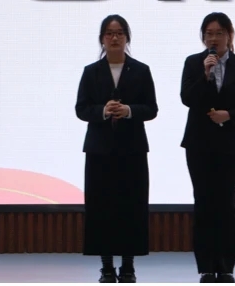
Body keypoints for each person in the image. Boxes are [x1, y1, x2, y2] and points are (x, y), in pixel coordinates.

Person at [75, 14, 158, 283]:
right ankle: (107, 266)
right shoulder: (91, 71)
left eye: (120, 33)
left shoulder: (141, 70)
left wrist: (129, 110)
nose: (114, 37)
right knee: (102, 208)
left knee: (131, 207)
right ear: (102, 38)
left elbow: (151, 109)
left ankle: (129, 266)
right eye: (109, 33)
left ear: (127, 38)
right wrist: (103, 111)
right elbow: (81, 109)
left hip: (132, 150)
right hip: (99, 151)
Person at [180, 12, 235, 283]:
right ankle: (206, 266)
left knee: (226, 204)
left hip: (230, 144)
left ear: (229, 35)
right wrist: (205, 75)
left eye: (219, 33)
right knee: (203, 203)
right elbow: (187, 98)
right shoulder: (194, 63)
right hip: (199, 144)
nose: (213, 38)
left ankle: (225, 267)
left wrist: (230, 115)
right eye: (208, 33)